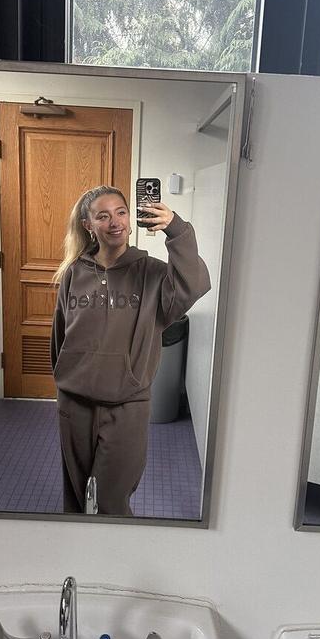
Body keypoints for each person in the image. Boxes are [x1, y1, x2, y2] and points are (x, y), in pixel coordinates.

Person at [51, 184, 210, 515]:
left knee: (110, 503)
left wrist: (175, 229)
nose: (115, 222)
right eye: (103, 216)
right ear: (88, 225)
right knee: (77, 501)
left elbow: (194, 284)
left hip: (127, 406)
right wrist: (64, 383)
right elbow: (59, 335)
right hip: (75, 405)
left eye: (121, 213)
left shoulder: (152, 273)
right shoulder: (74, 273)